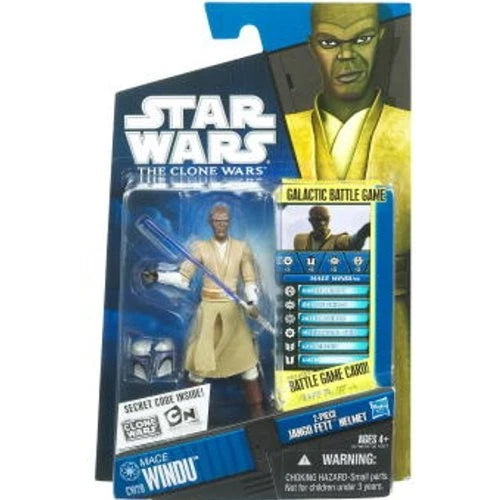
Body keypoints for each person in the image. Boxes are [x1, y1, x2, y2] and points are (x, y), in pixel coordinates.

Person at [285, 3, 410, 478]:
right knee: (302, 457)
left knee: (390, 453)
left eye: (362, 38)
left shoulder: (413, 133)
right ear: (311, 47)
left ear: (384, 39)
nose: (346, 56)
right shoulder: (284, 131)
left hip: (391, 330)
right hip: (303, 331)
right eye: (329, 42)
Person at [142, 203, 265, 417]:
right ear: (210, 222)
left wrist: (252, 302)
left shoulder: (241, 248)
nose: (221, 225)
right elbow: (183, 278)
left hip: (232, 312)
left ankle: (258, 409)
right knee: (199, 366)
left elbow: (249, 280)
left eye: (224, 221)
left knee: (247, 363)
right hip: (208, 311)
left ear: (229, 223)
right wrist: (158, 276)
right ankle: (187, 411)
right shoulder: (200, 248)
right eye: (217, 221)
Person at [294, 205, 370, 251]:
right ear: (310, 220)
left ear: (329, 219)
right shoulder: (300, 240)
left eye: (325, 219)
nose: (322, 223)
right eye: (317, 219)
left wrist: (362, 233)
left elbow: (351, 242)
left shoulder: (337, 240)